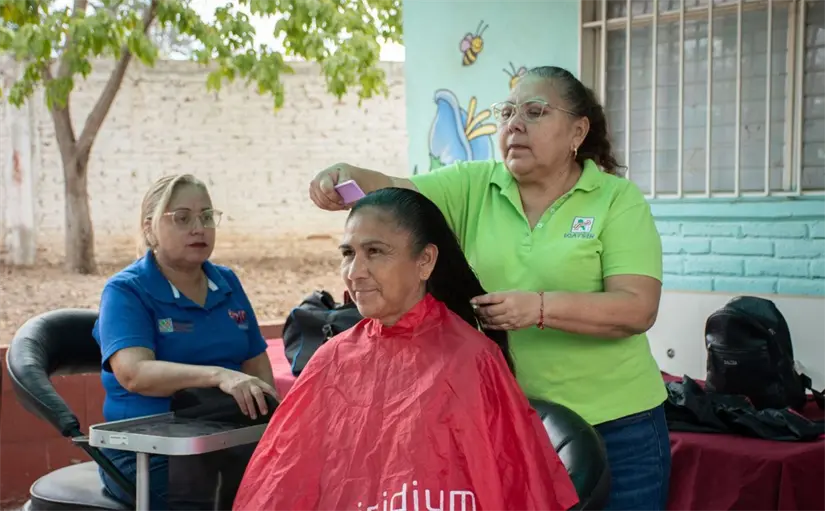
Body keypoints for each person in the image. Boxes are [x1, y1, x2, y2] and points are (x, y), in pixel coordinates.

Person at [308, 66, 670, 511]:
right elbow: (399, 193)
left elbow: (637, 309)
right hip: (509, 422)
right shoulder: (476, 185)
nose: (514, 124)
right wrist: (347, 174)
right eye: (507, 113)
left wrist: (538, 308)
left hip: (620, 425)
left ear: (578, 131)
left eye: (534, 112)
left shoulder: (616, 199)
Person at [233, 188, 579, 511]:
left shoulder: (472, 359)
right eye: (348, 254)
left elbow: (510, 488)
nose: (355, 272)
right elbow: (281, 484)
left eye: (375, 252)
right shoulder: (331, 358)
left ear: (425, 261)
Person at [93, 174, 277, 510]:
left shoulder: (228, 282)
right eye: (182, 218)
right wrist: (218, 375)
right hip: (150, 453)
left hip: (228, 438)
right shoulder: (126, 290)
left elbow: (257, 365)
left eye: (207, 216)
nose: (199, 227)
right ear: (150, 229)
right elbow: (134, 373)